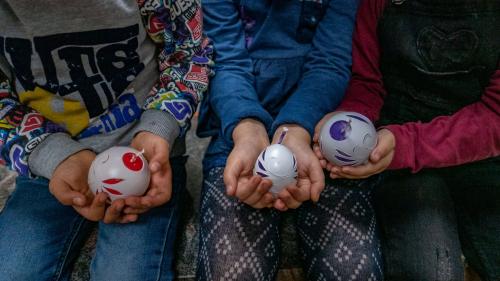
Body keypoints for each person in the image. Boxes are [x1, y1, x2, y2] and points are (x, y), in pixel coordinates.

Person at [0, 1, 213, 280]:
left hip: (147, 161)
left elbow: (190, 54)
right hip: (45, 164)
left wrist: (160, 126)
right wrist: (49, 153)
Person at [196, 1, 383, 280]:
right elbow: (225, 62)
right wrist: (247, 129)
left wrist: (296, 129)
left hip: (321, 134)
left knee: (354, 271)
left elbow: (330, 62)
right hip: (237, 134)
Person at [314, 0, 500, 280]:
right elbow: (366, 82)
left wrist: (407, 143)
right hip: (401, 164)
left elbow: (494, 116)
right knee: (432, 272)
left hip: (482, 158)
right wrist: (349, 122)